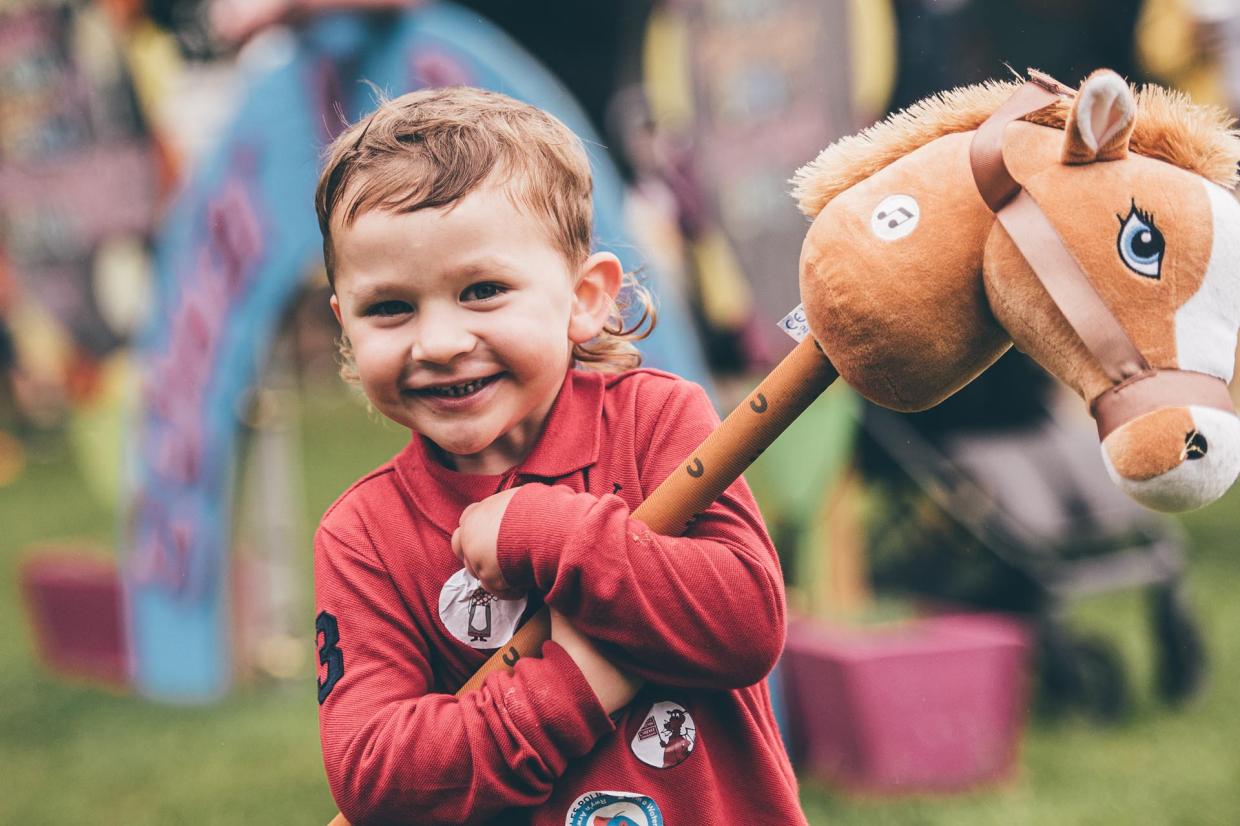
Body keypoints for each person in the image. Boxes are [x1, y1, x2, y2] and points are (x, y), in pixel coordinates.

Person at [313, 86, 803, 825]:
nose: (440, 342)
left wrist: (550, 533)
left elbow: (744, 623)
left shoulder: (656, 420)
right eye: (390, 308)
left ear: (585, 297)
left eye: (483, 290)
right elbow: (379, 779)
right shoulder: (365, 538)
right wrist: (576, 680)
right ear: (345, 324)